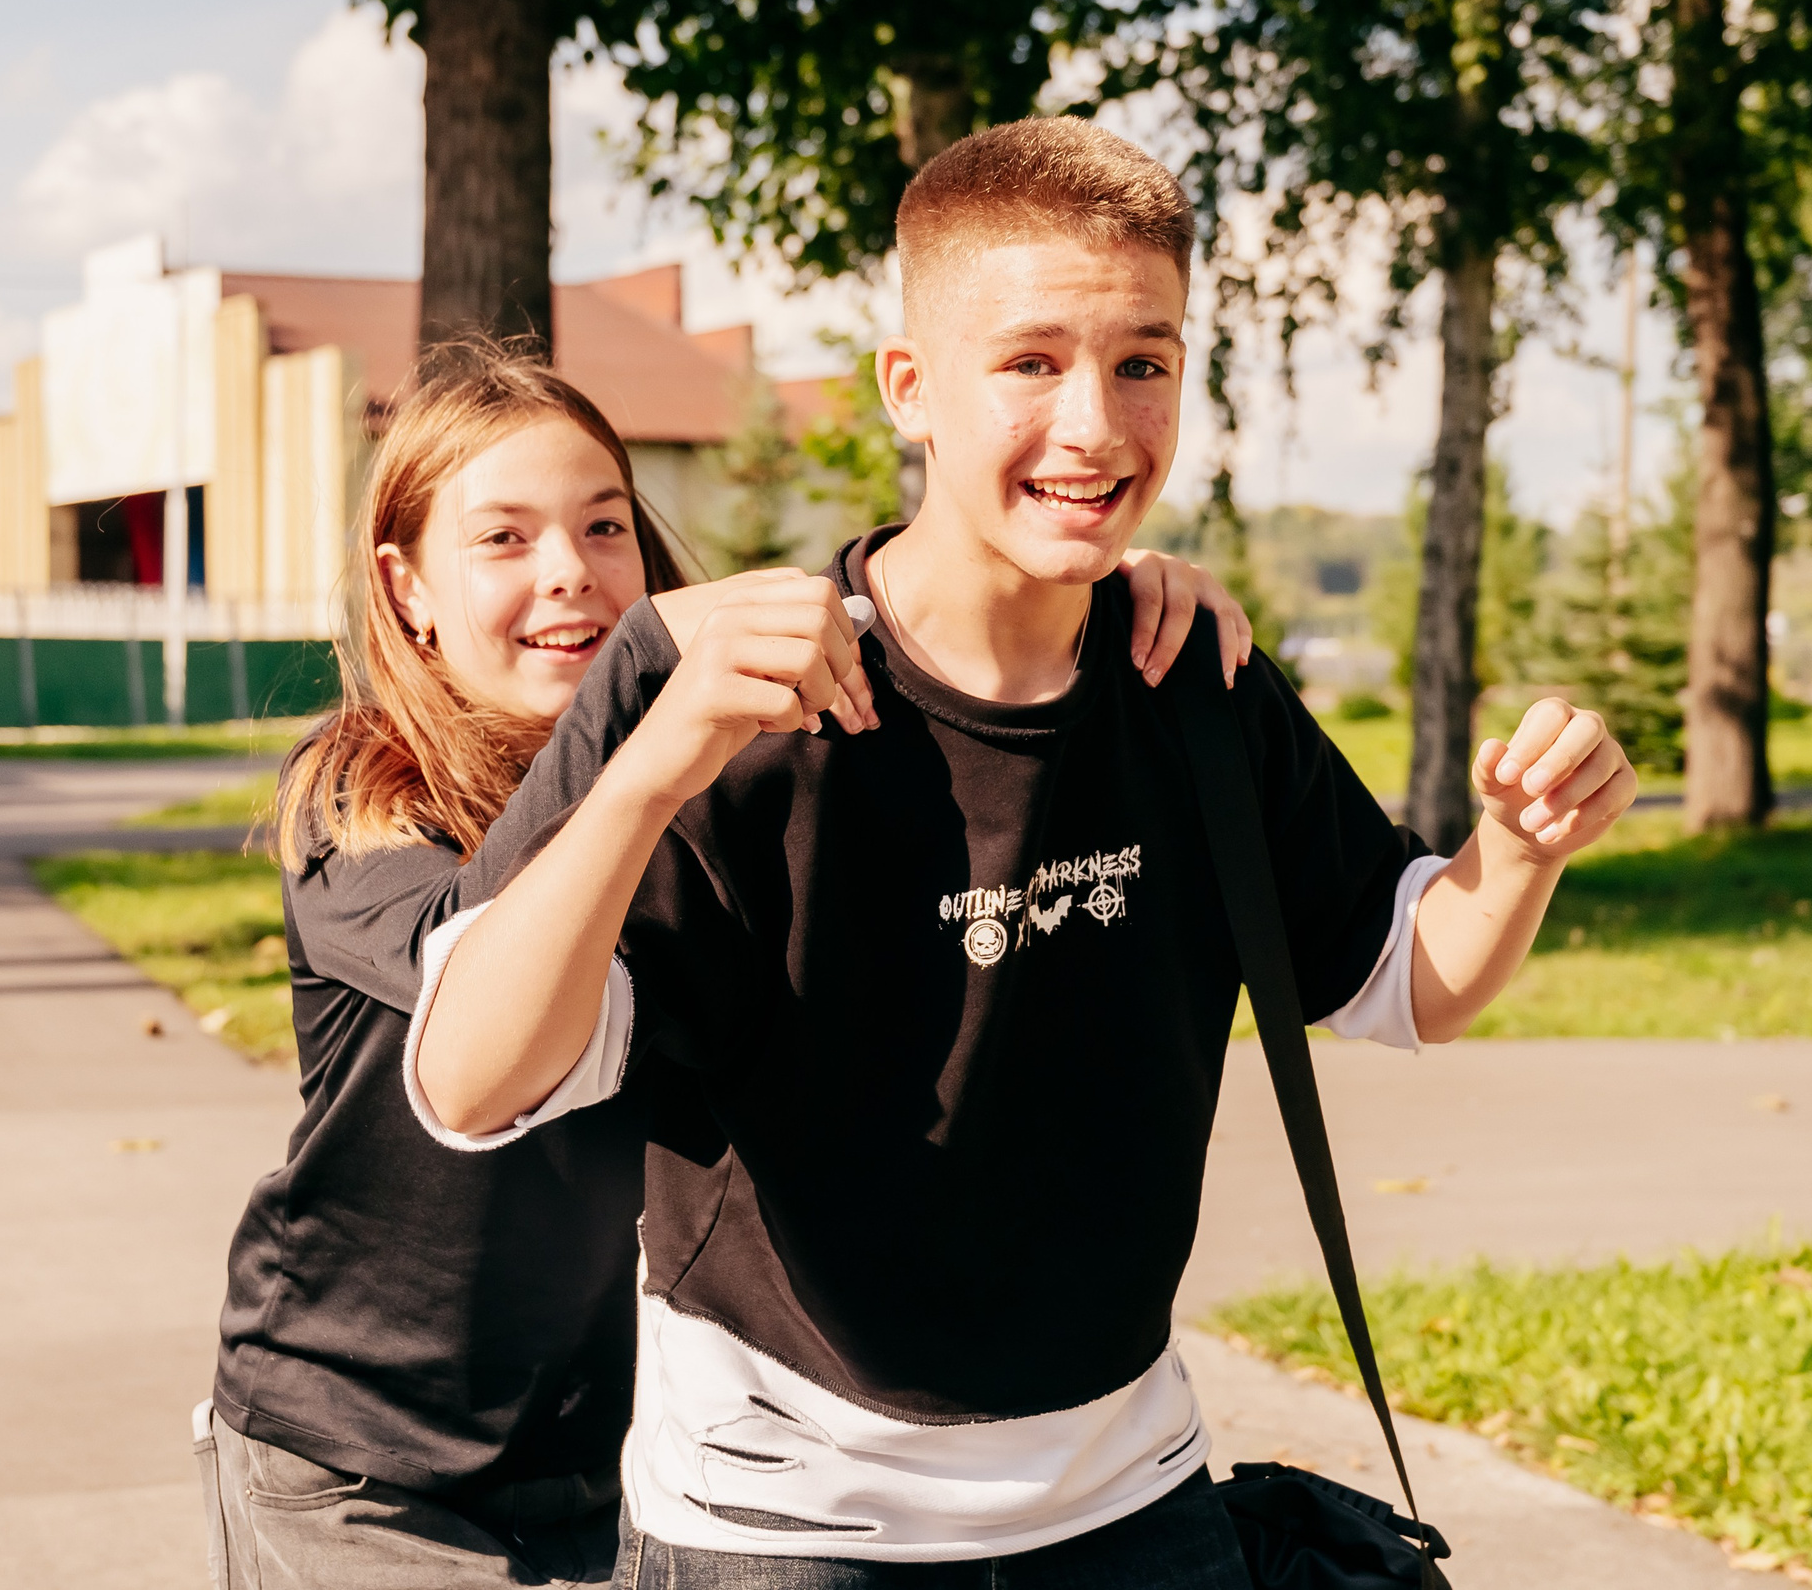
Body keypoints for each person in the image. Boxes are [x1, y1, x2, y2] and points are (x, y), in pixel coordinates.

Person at [413, 119, 1640, 1587]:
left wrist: (1522, 843)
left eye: (1143, 361)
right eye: (1030, 362)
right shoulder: (734, 697)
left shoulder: (1192, 675)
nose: (1096, 426)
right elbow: (468, 1083)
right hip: (787, 1531)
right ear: (909, 387)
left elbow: (1404, 976)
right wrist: (652, 767)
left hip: (1133, 1508)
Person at [196, 340, 1255, 1589]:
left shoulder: (703, 766)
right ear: (406, 584)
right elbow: (466, 969)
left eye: (604, 527)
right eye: (503, 538)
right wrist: (643, 666)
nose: (570, 572)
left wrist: (1087, 588)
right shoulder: (359, 795)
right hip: (365, 1459)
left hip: (618, 1452)